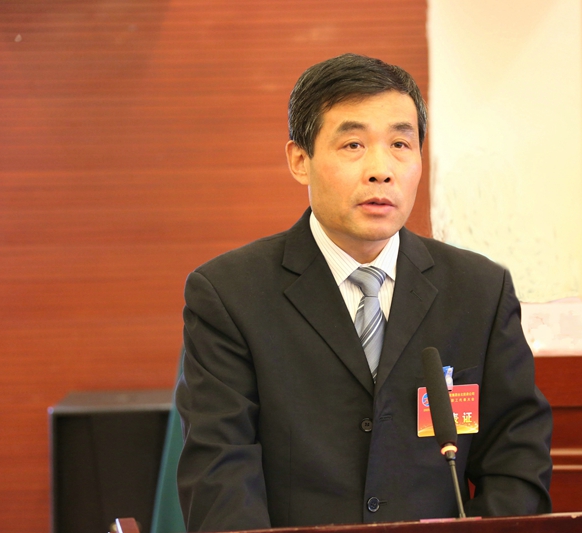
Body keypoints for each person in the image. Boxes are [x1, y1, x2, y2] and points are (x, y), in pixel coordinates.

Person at [175, 53, 552, 532]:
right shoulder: (229, 295)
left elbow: (517, 462)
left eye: (400, 144)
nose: (381, 170)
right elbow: (220, 475)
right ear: (300, 160)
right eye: (353, 144)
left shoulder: (479, 290)